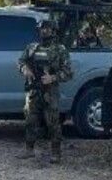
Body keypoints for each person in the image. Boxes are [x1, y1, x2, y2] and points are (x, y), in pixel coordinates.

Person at [18, 18, 73, 163]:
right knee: (30, 120)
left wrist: (53, 77)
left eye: (47, 28)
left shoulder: (60, 50)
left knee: (52, 123)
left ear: (53, 30)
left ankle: (56, 153)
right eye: (42, 28)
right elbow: (21, 61)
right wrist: (25, 69)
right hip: (33, 90)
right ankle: (29, 150)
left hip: (50, 91)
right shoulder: (32, 48)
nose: (44, 31)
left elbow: (68, 72)